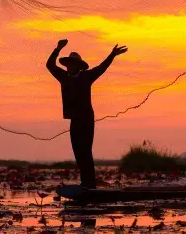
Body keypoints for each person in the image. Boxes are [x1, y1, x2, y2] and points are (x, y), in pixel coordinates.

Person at [47, 39, 128, 188]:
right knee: (78, 152)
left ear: (78, 66)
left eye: (72, 64)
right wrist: (58, 48)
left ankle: (89, 184)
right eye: (68, 64)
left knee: (86, 151)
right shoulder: (64, 77)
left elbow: (101, 68)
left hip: (86, 119)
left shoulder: (86, 76)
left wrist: (112, 54)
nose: (69, 66)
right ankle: (86, 183)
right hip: (74, 120)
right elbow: (50, 65)